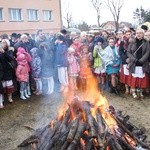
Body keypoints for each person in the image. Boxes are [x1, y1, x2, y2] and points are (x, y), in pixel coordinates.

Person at [127, 29, 150, 99]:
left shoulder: (146, 42)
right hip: (134, 63)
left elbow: (148, 52)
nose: (138, 34)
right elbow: (128, 52)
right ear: (135, 34)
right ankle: (134, 92)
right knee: (134, 79)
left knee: (141, 79)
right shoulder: (132, 42)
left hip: (142, 63)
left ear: (143, 34)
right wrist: (134, 60)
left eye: (140, 33)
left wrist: (141, 60)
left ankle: (140, 92)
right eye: (137, 33)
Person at [119, 30, 133, 94]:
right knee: (125, 75)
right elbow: (120, 51)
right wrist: (125, 58)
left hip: (132, 61)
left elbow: (134, 52)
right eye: (127, 34)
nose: (128, 35)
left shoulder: (133, 42)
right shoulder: (122, 42)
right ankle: (127, 88)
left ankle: (131, 88)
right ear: (125, 35)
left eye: (129, 34)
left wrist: (130, 58)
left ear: (131, 34)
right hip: (124, 61)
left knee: (131, 75)